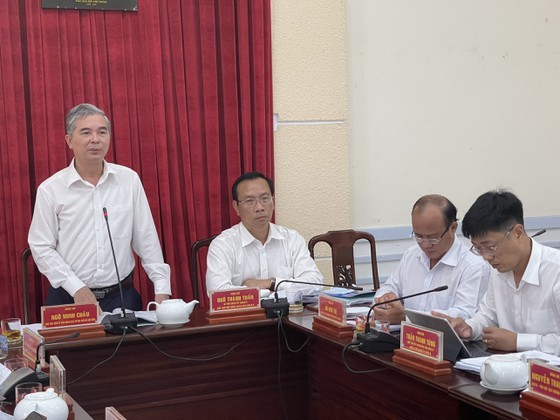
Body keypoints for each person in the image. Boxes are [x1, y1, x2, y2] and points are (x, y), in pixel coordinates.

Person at [28, 103, 171, 313]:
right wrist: (76, 288)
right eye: (86, 132)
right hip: (70, 298)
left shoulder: (128, 180)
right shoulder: (51, 189)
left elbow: (146, 238)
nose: (95, 139)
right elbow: (41, 246)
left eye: (102, 132)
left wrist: (162, 289)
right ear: (69, 140)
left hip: (121, 297)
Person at [435, 190, 560, 354]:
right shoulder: (499, 269)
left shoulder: (555, 271)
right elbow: (488, 316)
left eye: (491, 247)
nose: (486, 257)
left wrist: (517, 341)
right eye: (479, 249)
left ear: (517, 233)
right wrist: (469, 328)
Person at [373, 194, 489, 324]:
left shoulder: (474, 266)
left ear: (453, 228)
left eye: (433, 238)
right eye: (418, 236)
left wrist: (406, 317)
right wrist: (386, 299)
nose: (425, 244)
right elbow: (389, 287)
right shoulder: (411, 255)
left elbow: (465, 315)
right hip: (407, 338)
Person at [206, 172, 323, 296]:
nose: (259, 207)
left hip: (287, 314)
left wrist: (272, 283)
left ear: (273, 201)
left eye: (265, 199)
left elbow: (316, 284)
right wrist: (263, 293)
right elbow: (217, 293)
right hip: (244, 315)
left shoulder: (292, 239)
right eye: (250, 201)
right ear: (236, 207)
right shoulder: (223, 244)